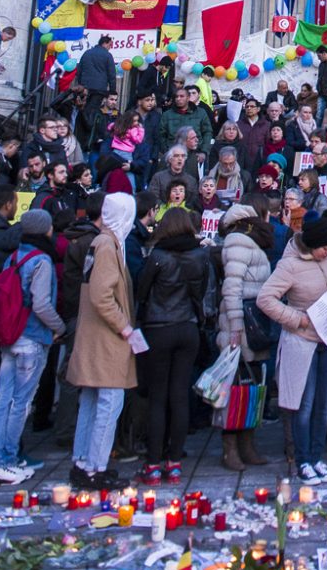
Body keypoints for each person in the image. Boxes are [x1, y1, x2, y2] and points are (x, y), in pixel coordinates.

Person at [257, 217, 327, 483]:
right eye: (324, 247)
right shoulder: (289, 264)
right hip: (302, 341)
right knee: (304, 403)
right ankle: (302, 460)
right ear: (311, 245)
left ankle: (315, 457)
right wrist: (296, 318)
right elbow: (265, 298)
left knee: (324, 404)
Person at [136, 204, 211, 482]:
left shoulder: (158, 256)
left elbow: (142, 291)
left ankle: (154, 461)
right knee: (180, 394)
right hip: (187, 326)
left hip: (159, 326)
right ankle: (175, 460)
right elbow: (201, 291)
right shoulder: (199, 255)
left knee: (158, 396)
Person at [68, 192, 138, 488]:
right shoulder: (108, 246)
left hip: (94, 335)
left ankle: (82, 463)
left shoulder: (101, 243)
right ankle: (94, 466)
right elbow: (101, 295)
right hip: (107, 338)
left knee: (92, 400)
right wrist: (125, 327)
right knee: (109, 402)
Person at [0, 209, 65, 482]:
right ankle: (6, 459)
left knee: (3, 399)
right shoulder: (42, 260)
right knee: (21, 403)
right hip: (32, 338)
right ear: (45, 229)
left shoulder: (14, 255)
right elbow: (42, 304)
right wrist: (59, 327)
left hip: (9, 335)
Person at [217, 203, 276, 471]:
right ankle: (231, 448)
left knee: (251, 387)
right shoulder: (238, 241)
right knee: (235, 389)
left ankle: (247, 444)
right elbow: (232, 287)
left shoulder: (247, 241)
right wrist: (236, 327)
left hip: (254, 324)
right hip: (241, 326)